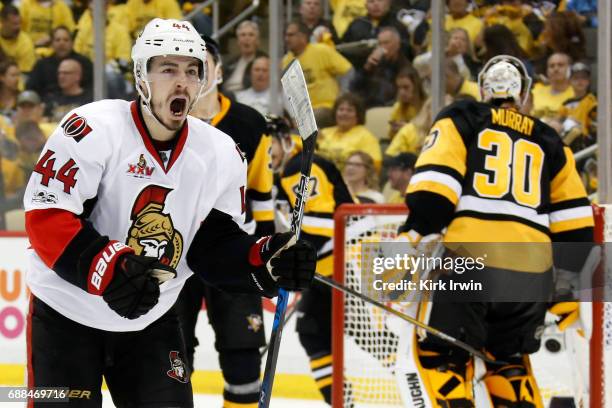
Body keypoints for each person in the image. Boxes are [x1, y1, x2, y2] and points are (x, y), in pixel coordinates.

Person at [23, 18, 316, 407]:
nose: (182, 81)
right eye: (168, 69)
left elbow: (211, 246)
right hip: (65, 317)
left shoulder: (222, 153)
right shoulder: (91, 128)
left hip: (150, 321)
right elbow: (47, 217)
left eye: (193, 71)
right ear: (141, 77)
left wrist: (263, 259)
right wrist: (109, 269)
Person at [397, 55, 593, 406]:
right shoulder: (551, 141)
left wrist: (413, 231)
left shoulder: (463, 116)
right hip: (531, 277)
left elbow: (434, 191)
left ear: (483, 86)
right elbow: (576, 227)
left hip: (469, 262)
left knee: (444, 359)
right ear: (524, 92)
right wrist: (566, 291)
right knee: (509, 364)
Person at [176, 36, 275, 408]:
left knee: (243, 353)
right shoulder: (163, 118)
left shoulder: (249, 123)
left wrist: (265, 253)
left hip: (233, 252)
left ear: (218, 71)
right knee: (172, 353)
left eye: (202, 65)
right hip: (175, 256)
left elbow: (261, 195)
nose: (195, 74)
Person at [269, 115, 354, 405]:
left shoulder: (296, 169)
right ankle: (344, 401)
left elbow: (324, 224)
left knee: (380, 343)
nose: (268, 157)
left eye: (271, 149)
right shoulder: (290, 171)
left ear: (286, 141)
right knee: (312, 333)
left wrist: (294, 257)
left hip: (343, 267)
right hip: (333, 268)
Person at [282, 20, 353, 128]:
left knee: (307, 122)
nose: (287, 39)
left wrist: (342, 97)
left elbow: (348, 70)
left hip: (326, 107)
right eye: (286, 35)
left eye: (291, 35)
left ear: (303, 37)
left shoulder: (321, 51)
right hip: (300, 112)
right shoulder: (286, 61)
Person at [317, 93, 382, 171]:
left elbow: (374, 166)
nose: (344, 113)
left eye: (350, 110)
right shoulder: (323, 133)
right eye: (341, 109)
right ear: (335, 113)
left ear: (358, 115)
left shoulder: (366, 137)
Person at [26, 26, 94, 100]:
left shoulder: (84, 63)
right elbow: (32, 91)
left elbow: (92, 88)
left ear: (72, 43)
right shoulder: (41, 66)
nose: (62, 43)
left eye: (66, 40)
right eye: (57, 40)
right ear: (52, 43)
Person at [223, 20, 267, 94]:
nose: (247, 39)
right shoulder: (231, 62)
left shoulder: (264, 62)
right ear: (238, 41)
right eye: (243, 35)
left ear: (257, 41)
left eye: (251, 35)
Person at [0, 5, 36, 74]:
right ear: (3, 22)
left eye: (19, 23)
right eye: (14, 24)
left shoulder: (26, 43)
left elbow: (25, 75)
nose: (18, 27)